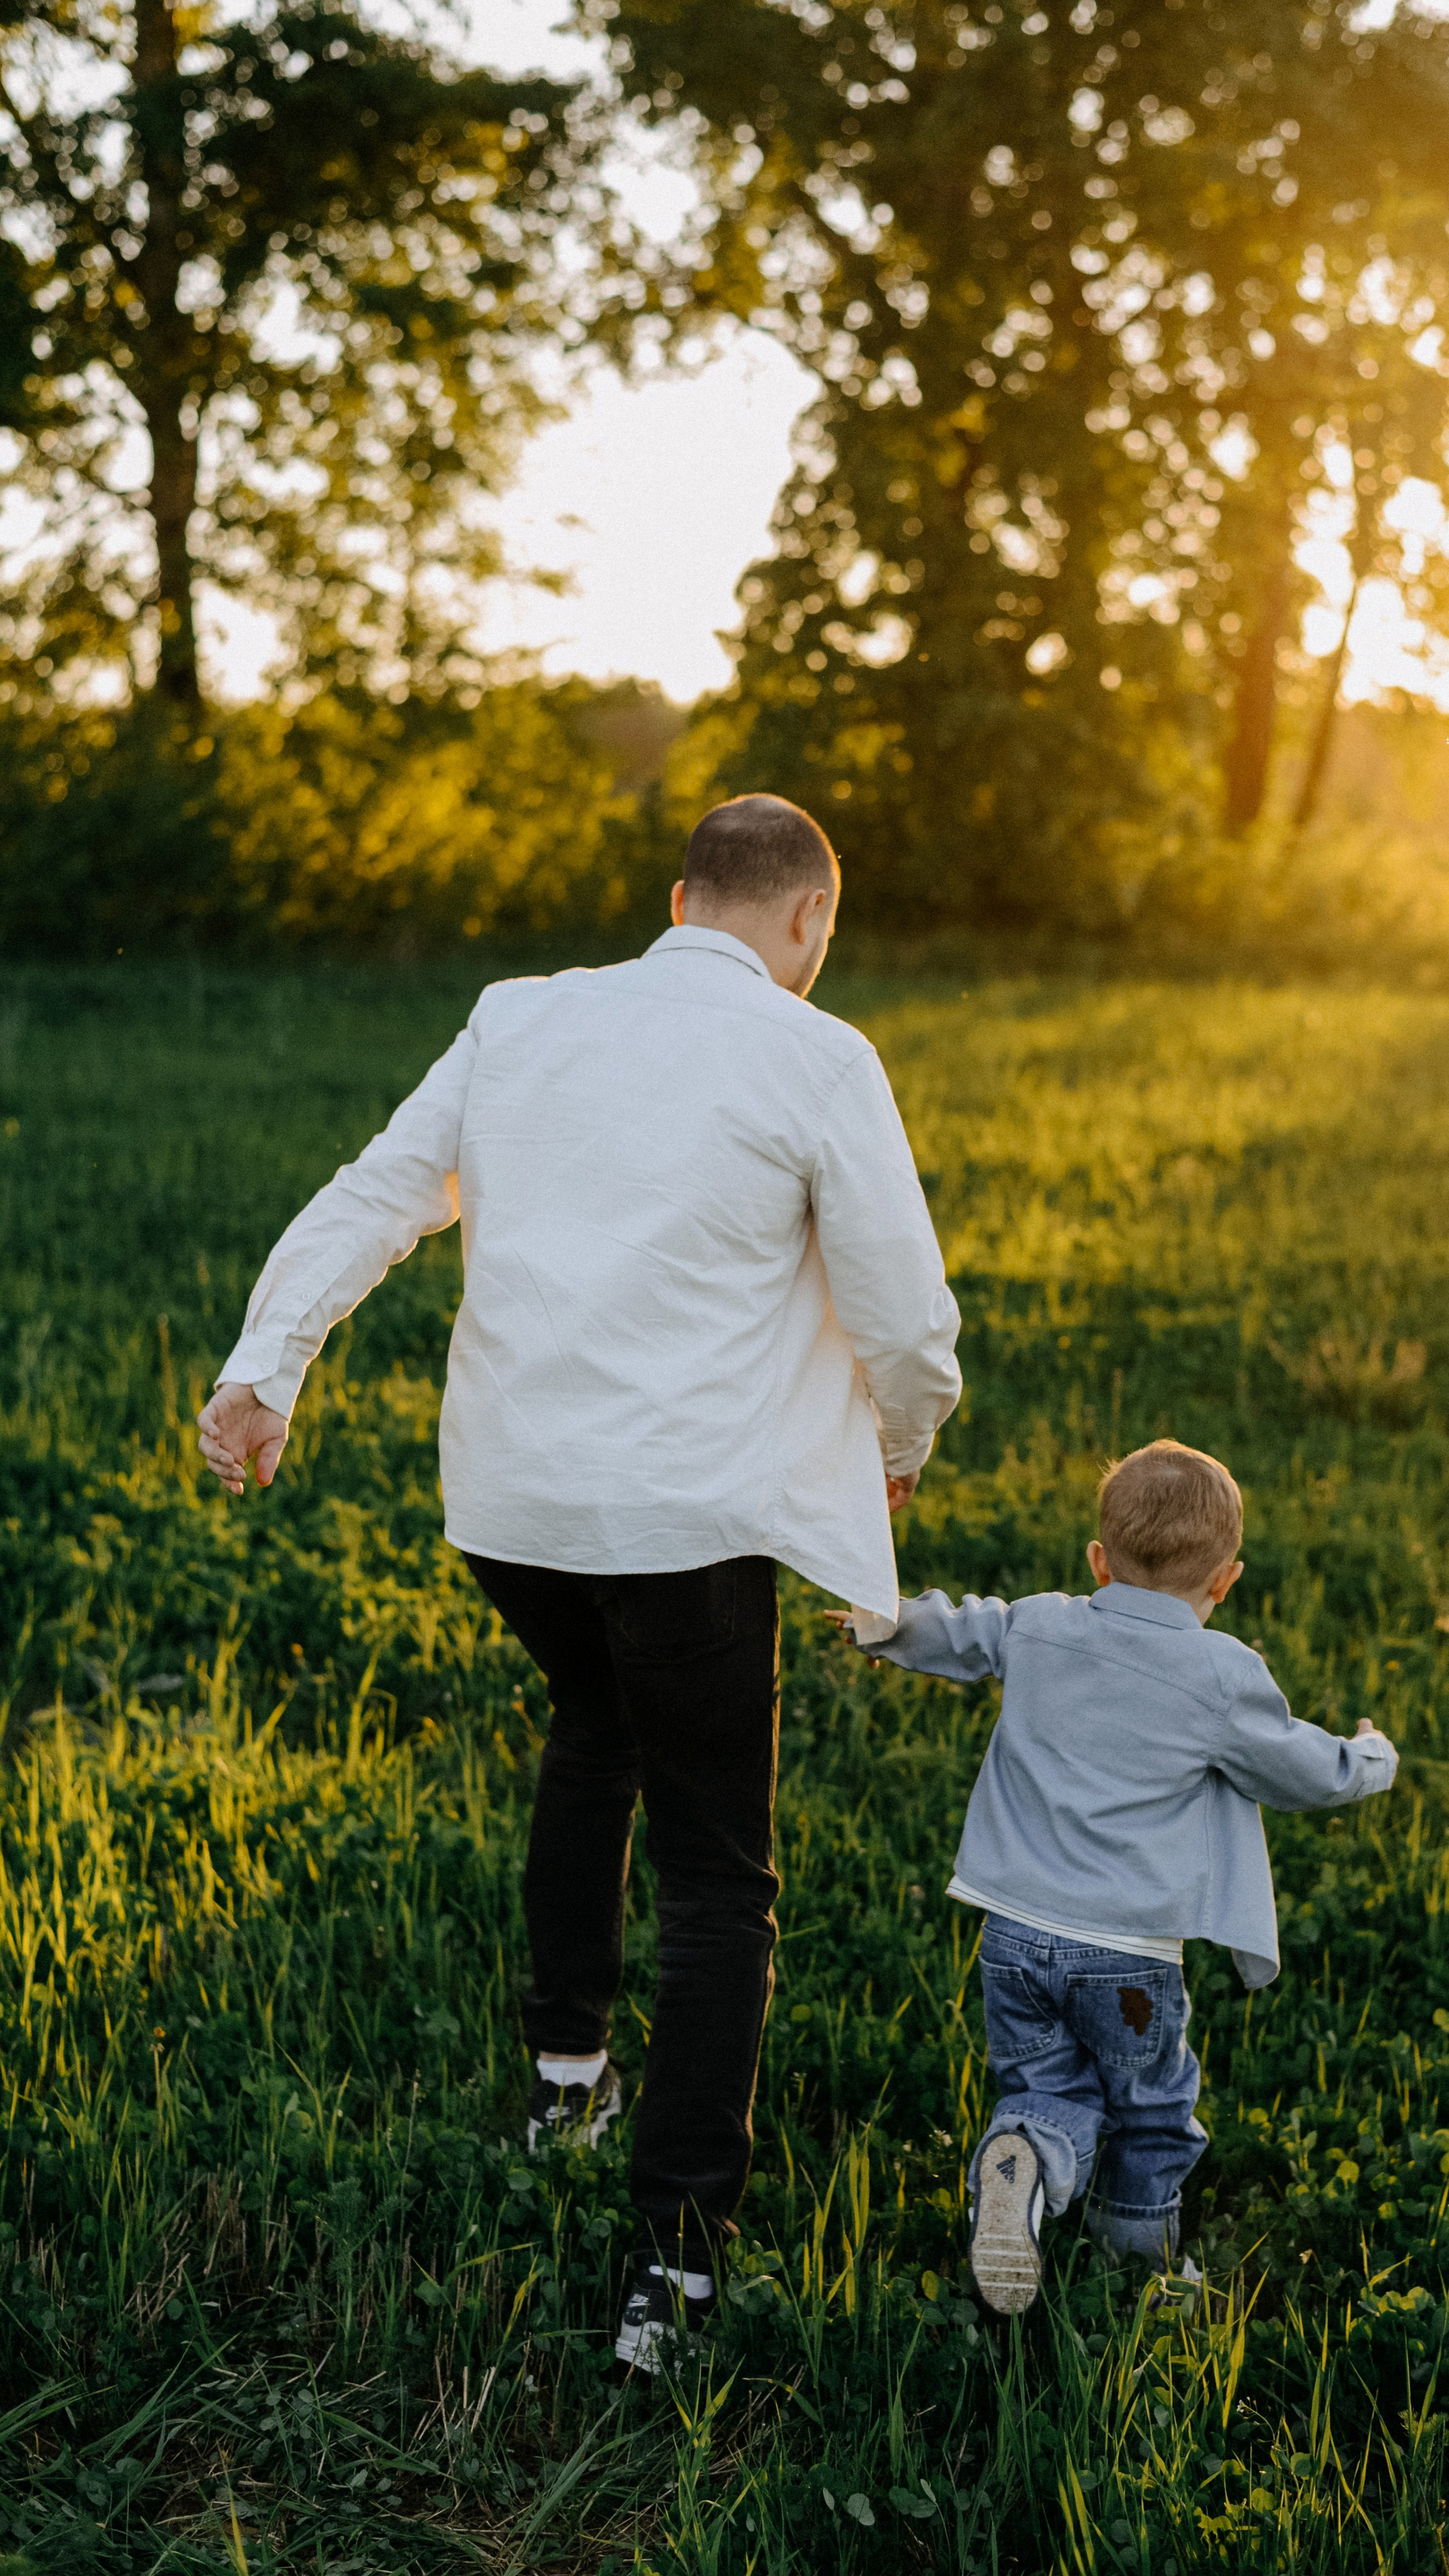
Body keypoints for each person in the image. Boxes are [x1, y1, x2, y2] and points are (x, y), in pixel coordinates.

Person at [197, 793, 962, 2372]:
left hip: (510, 1509)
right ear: (809, 921)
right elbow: (901, 1312)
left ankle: (566, 2077)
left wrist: (266, 1363)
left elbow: (377, 1191)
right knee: (718, 1882)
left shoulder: (521, 1017)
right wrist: (901, 1441)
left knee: (591, 1734)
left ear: (678, 899)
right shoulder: (819, 1056)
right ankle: (673, 2268)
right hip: (679, 1530)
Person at [834, 1437, 1396, 2316]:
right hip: (1129, 1959)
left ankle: (1023, 2156)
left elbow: (963, 1630)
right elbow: (1301, 1772)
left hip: (1012, 1935)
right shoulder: (1221, 1674)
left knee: (1047, 2088)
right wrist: (1368, 1758)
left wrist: (885, 1622)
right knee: (1149, 2109)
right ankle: (1139, 2274)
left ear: (1098, 1559)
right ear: (1226, 1580)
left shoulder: (1042, 1623)